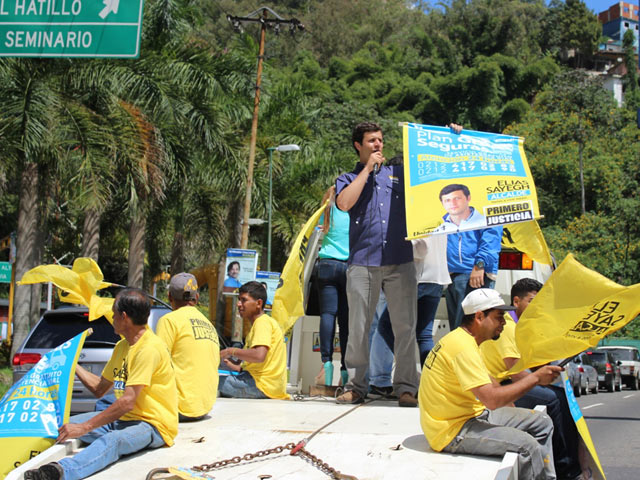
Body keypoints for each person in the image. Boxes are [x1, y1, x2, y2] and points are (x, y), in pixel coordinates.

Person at [25, 289, 178, 480]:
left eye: (114, 314)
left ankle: (59, 473)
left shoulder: (149, 349)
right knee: (62, 427)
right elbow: (99, 389)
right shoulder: (122, 347)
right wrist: (73, 364)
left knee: (112, 441)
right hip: (123, 420)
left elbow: (127, 402)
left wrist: (84, 428)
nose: (111, 318)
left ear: (124, 317)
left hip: (152, 425)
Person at [419, 288, 561, 480]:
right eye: (499, 317)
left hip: (472, 416)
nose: (504, 322)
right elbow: (492, 401)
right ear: (479, 317)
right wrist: (535, 378)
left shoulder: (464, 340)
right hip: (453, 431)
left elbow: (489, 383)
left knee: (541, 422)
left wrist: (509, 403)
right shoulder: (462, 347)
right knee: (527, 447)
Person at [334, 122, 423, 407]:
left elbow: (432, 175)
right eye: (372, 141)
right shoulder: (348, 178)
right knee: (359, 327)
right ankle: (356, 386)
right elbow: (344, 204)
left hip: (400, 260)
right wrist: (366, 172)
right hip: (363, 261)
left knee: (406, 326)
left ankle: (407, 387)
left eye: (381, 141)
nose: (378, 145)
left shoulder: (399, 174)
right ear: (358, 145)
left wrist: (449, 135)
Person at [480, 278, 583, 480]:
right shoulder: (508, 327)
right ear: (516, 302)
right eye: (531, 302)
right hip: (497, 387)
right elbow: (516, 371)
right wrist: (538, 379)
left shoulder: (522, 326)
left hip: (503, 382)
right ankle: (567, 470)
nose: (536, 308)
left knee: (559, 397)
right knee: (556, 400)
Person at [156, 272, 220, 421]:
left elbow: (158, 362)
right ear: (196, 298)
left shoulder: (168, 321)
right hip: (204, 408)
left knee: (110, 400)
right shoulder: (209, 325)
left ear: (169, 297)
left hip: (178, 408)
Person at [441, 183, 502, 331]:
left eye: (457, 198)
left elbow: (490, 243)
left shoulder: (485, 218)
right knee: (457, 329)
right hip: (451, 278)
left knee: (471, 329)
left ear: (468, 198)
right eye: (447, 200)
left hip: (474, 277)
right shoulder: (443, 221)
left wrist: (479, 266)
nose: (453, 203)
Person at [219, 281, 290, 399]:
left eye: (244, 300)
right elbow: (259, 362)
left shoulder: (262, 323)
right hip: (266, 386)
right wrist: (235, 365)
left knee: (211, 382)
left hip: (261, 386)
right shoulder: (265, 322)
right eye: (239, 300)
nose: (239, 304)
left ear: (259, 303)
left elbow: (259, 355)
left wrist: (230, 351)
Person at [314, 185, 350, 387]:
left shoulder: (327, 211)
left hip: (326, 263)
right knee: (345, 320)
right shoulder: (353, 212)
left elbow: (317, 231)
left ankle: (326, 364)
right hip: (348, 265)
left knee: (327, 315)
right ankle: (345, 370)